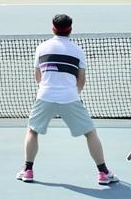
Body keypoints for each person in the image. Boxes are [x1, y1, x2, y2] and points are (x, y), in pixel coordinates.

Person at [16, 14, 118, 185]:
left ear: (53, 28)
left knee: (32, 131)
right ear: (70, 29)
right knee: (90, 133)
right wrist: (73, 93)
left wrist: (50, 88)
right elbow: (81, 79)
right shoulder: (78, 51)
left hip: (45, 96)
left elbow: (38, 76)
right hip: (70, 97)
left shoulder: (41, 48)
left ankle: (27, 170)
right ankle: (103, 173)